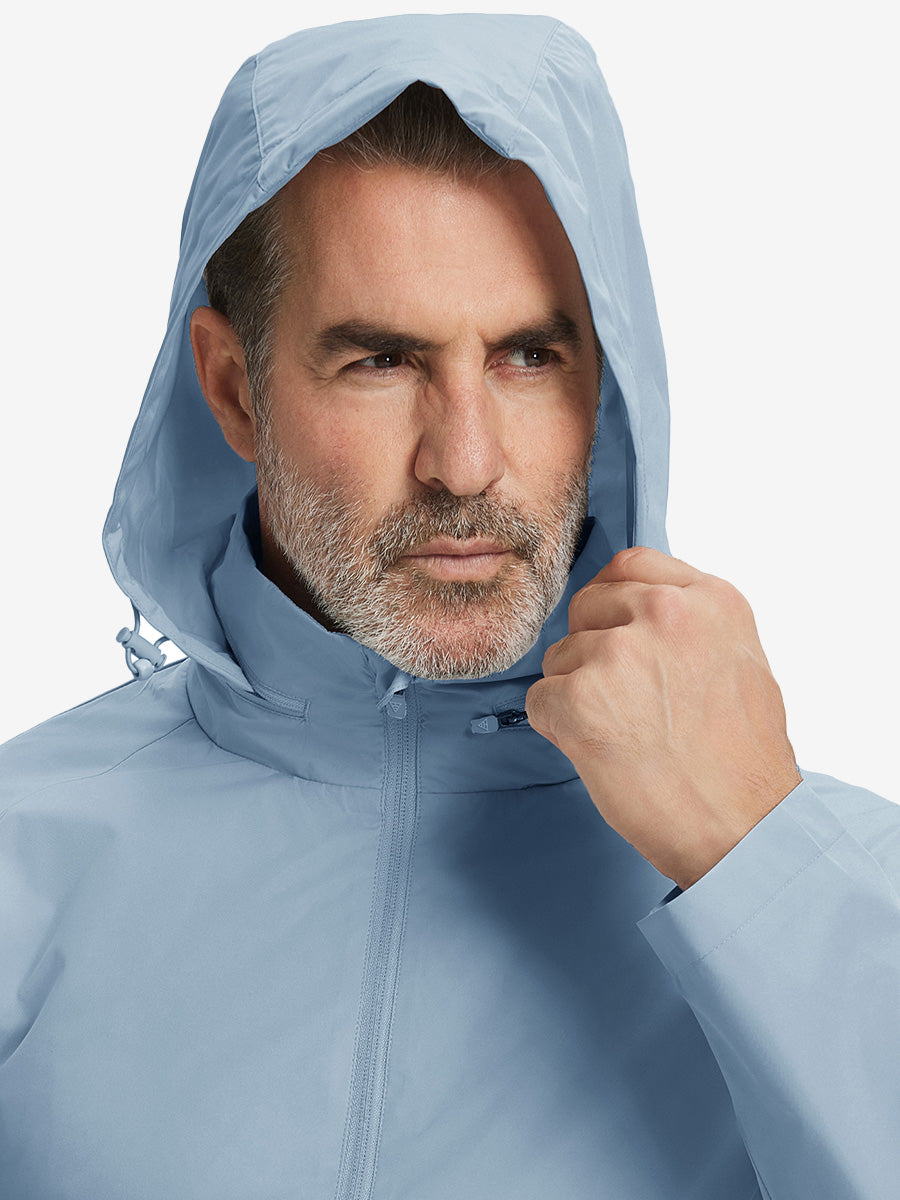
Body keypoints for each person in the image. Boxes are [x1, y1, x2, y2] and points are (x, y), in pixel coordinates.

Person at [0, 12, 897, 1198]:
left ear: (607, 383)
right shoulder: (22, 859)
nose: (465, 464)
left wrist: (759, 861)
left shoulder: (831, 887)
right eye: (382, 361)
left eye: (528, 357)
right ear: (234, 389)